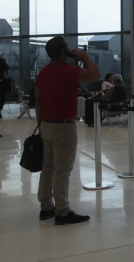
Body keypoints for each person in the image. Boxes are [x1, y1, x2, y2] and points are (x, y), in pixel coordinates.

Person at [36, 36, 100, 225]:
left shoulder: (42, 73)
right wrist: (84, 57)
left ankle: (46, 206)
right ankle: (63, 211)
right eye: (68, 48)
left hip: (46, 124)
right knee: (62, 170)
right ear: (64, 52)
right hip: (63, 126)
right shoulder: (70, 71)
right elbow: (95, 74)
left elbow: (38, 101)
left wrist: (41, 124)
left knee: (47, 167)